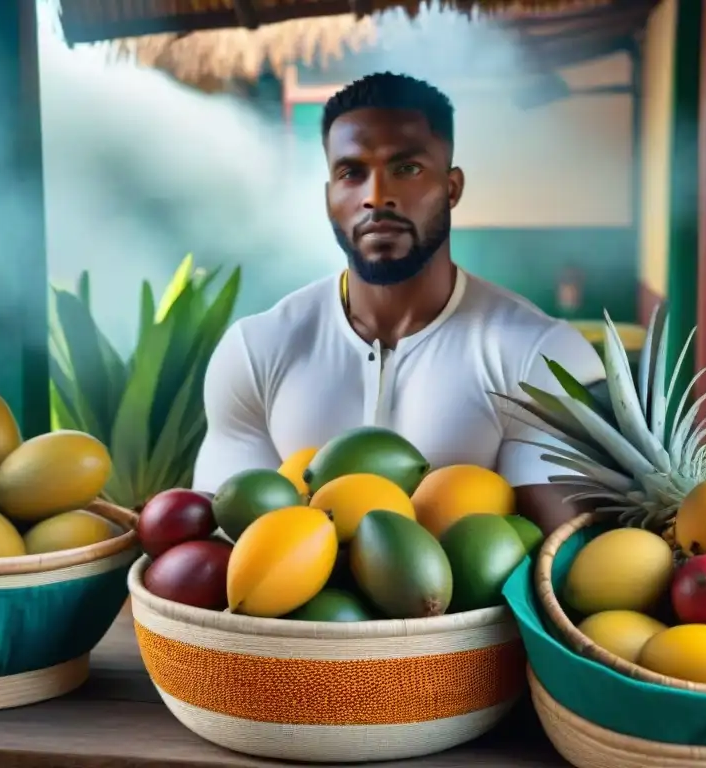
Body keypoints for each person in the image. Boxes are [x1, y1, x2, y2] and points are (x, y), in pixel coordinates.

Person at [194, 72, 605, 534]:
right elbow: (224, 547)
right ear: (329, 196)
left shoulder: (539, 355)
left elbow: (558, 565)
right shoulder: (256, 349)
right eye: (351, 173)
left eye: (406, 168)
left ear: (451, 188)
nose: (376, 197)